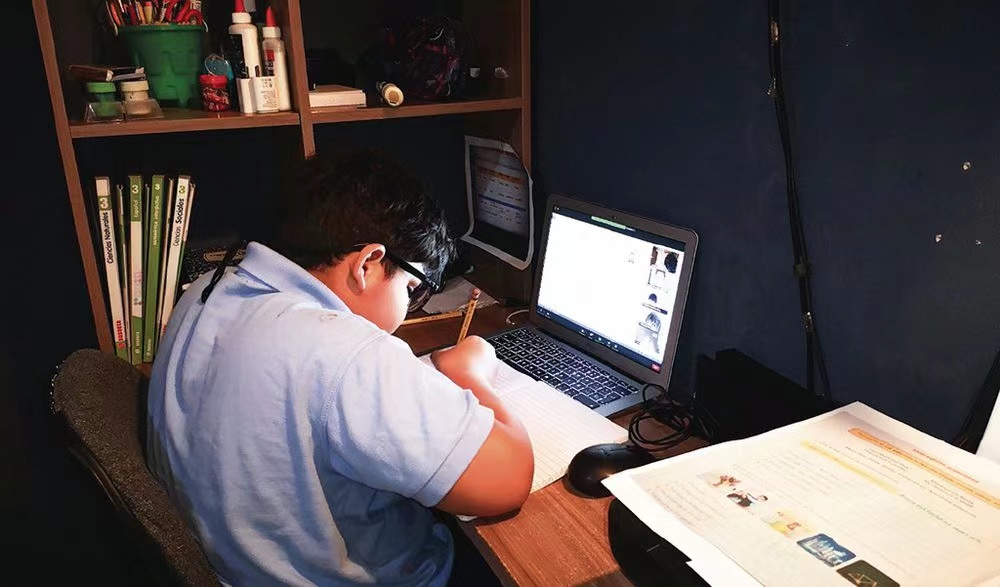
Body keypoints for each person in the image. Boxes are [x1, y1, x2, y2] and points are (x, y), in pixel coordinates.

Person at [146, 149, 534, 586]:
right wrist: (470, 373)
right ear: (368, 263)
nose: (408, 309)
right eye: (413, 289)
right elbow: (508, 479)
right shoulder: (343, 354)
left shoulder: (205, 290)